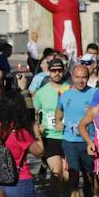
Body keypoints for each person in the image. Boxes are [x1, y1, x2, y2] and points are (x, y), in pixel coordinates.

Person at [59, 63, 94, 197]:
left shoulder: (94, 94)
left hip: (89, 142)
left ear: (88, 77)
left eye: (84, 77)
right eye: (77, 77)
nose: (81, 80)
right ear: (72, 77)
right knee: (73, 179)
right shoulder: (65, 95)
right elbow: (59, 112)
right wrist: (59, 123)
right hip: (70, 141)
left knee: (89, 179)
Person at [31, 56, 68, 186]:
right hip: (50, 136)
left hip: (68, 136)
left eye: (59, 70)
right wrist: (38, 127)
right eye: (53, 70)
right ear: (49, 72)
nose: (57, 73)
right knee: (56, 172)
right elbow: (34, 113)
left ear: (64, 71)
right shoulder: (41, 92)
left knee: (67, 175)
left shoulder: (69, 89)